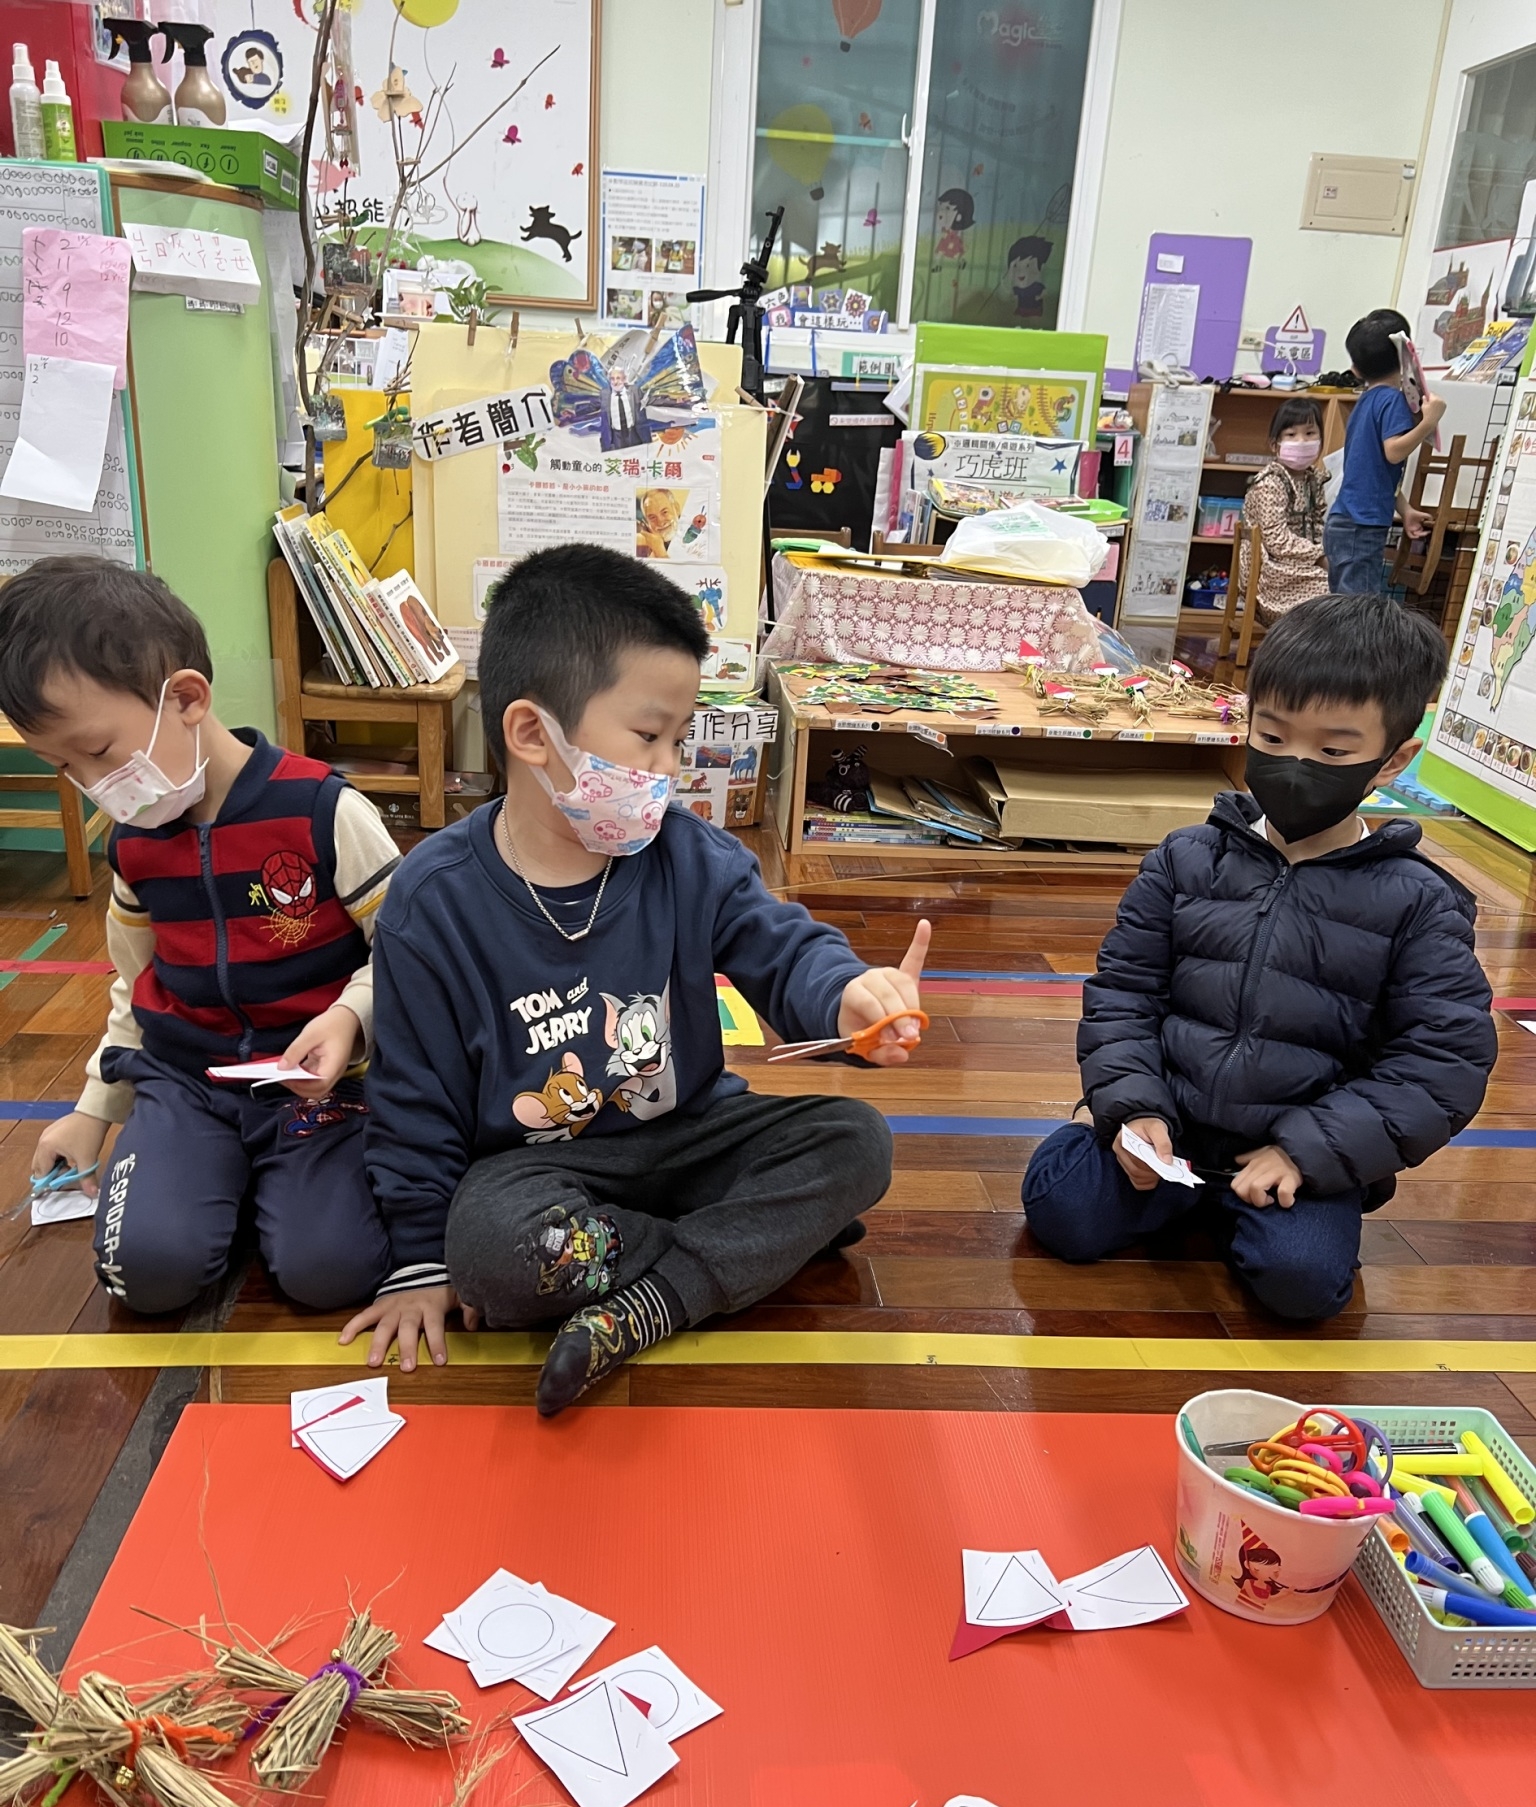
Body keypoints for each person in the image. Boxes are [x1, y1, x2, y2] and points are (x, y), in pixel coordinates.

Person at [341, 544, 914, 1411]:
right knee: (489, 1250)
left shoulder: (690, 855)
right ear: (531, 733)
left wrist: (844, 992)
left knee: (857, 1140)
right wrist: (421, 1261)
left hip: (692, 1137)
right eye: (649, 737)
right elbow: (411, 1099)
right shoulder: (433, 898)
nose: (670, 767)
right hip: (538, 1177)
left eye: (678, 739)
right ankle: (741, 1248)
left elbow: (779, 944)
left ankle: (653, 1300)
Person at [1020, 595, 1495, 1323]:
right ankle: (1121, 1152)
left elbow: (1442, 1063)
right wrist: (1132, 1107)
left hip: (1298, 1153)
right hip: (1171, 1131)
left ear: (1394, 759)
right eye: (1272, 736)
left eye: (1333, 753)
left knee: (1302, 1288)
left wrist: (1310, 1153)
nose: (1295, 765)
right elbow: (1124, 993)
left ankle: (1248, 1211)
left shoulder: (1418, 903)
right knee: (1062, 1211)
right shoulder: (1184, 859)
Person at [0, 558, 399, 1315]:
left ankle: (261, 1187)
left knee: (332, 1273)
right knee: (143, 1275)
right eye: (64, 767)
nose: (93, 785)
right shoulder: (132, 843)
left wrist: (352, 1016)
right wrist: (93, 1110)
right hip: (187, 1086)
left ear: (185, 698)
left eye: (98, 752)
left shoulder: (323, 810)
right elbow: (135, 987)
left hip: (314, 1087)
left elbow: (407, 952)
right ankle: (212, 1179)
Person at [1325, 314, 1443, 595]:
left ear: (1356, 369)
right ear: (1406, 357)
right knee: (1360, 609)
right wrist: (1428, 423)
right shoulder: (1392, 401)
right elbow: (1393, 452)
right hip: (1362, 525)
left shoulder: (1365, 401)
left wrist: (1405, 510)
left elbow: (1374, 472)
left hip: (1345, 521)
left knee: (1343, 605)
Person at [1240, 397, 1329, 620]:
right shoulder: (1270, 483)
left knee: (1347, 580)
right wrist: (1320, 555)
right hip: (1271, 572)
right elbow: (1277, 541)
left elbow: (1319, 524)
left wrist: (1329, 551)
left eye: (1310, 433)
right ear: (1275, 444)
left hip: (1301, 563)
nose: (1302, 441)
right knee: (1331, 590)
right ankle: (1303, 640)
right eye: (1291, 434)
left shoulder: (1313, 480)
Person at [1005, 236, 1051, 320]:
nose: (1021, 271)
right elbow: (1012, 295)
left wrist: (1040, 296)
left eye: (1027, 266)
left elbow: (1044, 293)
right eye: (1016, 266)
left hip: (1035, 310)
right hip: (1020, 309)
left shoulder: (1036, 286)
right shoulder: (1017, 288)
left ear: (1041, 267)